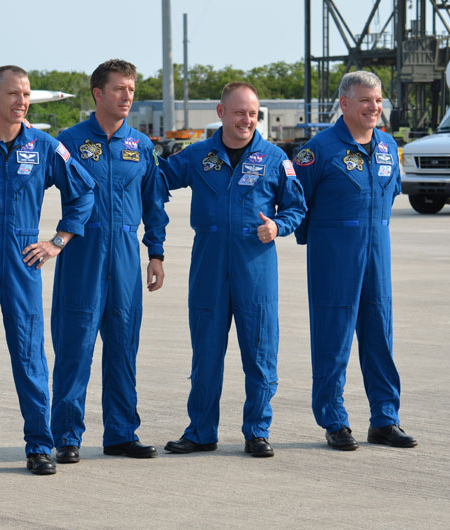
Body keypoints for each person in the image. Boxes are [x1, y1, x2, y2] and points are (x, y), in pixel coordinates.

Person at [0, 65, 95, 476]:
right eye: (12, 94)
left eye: (25, 94)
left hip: (24, 261)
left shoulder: (43, 146)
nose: (21, 102)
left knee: (30, 358)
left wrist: (57, 241)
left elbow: (83, 192)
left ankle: (40, 445)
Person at [159, 82, 306, 458]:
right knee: (205, 353)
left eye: (253, 113)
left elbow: (297, 208)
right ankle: (201, 431)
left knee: (259, 352)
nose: (247, 120)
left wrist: (277, 226)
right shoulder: (197, 155)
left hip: (254, 267)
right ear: (222, 113)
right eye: (239, 112)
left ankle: (257, 431)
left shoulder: (275, 158)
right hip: (208, 265)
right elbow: (156, 179)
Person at [50, 59, 168, 464]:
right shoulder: (67, 141)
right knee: (74, 348)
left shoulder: (141, 145)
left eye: (131, 89)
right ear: (98, 94)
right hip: (82, 253)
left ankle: (121, 433)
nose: (127, 96)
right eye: (119, 89)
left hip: (125, 256)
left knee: (123, 346)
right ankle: (66, 435)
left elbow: (155, 203)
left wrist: (156, 252)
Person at [293, 71, 417, 451]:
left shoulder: (386, 146)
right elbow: (299, 204)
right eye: (365, 100)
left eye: (378, 100)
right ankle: (334, 420)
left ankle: (384, 419)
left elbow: (390, 193)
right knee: (333, 339)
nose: (374, 107)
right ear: (344, 103)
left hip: (377, 254)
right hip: (334, 257)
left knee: (380, 334)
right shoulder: (318, 150)